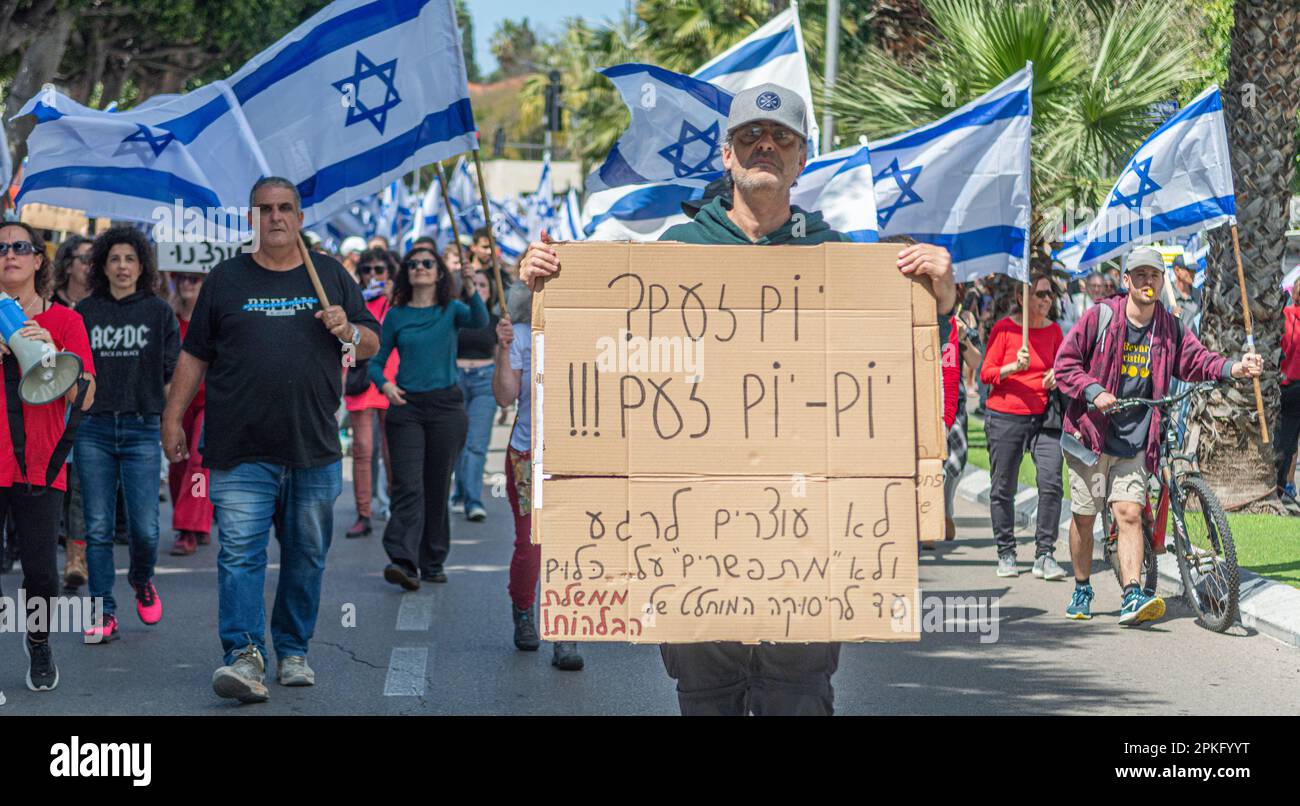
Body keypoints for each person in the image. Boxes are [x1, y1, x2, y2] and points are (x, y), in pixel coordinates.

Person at [520, 82, 957, 716]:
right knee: (707, 700)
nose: (766, 147)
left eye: (783, 138)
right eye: (751, 136)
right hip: (690, 537)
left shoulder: (840, 256)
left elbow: (898, 360)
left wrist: (938, 295)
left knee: (799, 700)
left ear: (803, 160)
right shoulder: (674, 253)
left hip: (809, 536)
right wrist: (549, 287)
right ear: (726, 155)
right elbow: (608, 364)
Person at [162, 177, 379, 703]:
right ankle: (244, 655)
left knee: (306, 555)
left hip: (314, 447)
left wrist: (347, 330)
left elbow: (371, 342)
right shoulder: (225, 279)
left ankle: (294, 649)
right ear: (252, 219)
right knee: (239, 553)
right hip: (239, 446)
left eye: (285, 208)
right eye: (264, 209)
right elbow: (195, 355)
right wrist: (172, 418)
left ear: (300, 218)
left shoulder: (329, 275)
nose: (276, 217)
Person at [1054, 246, 1263, 625]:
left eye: (1154, 275)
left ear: (1162, 281)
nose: (1147, 282)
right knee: (1084, 517)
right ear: (1127, 280)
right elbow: (1065, 364)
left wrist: (1235, 367)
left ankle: (1133, 593)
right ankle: (1082, 585)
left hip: (1136, 438)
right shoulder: (1101, 316)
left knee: (1130, 512)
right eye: (1140, 275)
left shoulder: (1169, 326)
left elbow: (1199, 360)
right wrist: (1094, 392)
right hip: (1092, 437)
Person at [0, 221, 96, 691]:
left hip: (40, 462)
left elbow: (88, 395)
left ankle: (38, 641)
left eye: (20, 246)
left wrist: (51, 353)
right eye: (0, 248)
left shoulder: (66, 321)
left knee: (42, 574)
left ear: (39, 260)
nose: (9, 254)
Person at [76, 227, 180, 642]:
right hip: (93, 430)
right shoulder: (84, 312)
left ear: (142, 266)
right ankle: (104, 610)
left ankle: (141, 579)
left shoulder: (159, 312)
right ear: (103, 265)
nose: (122, 266)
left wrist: (171, 423)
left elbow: (173, 374)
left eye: (130, 259)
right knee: (98, 526)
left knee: (146, 529)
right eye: (114, 259)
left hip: (141, 429)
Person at [371, 243, 485, 591]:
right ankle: (403, 561)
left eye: (427, 263)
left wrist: (470, 285)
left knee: (437, 486)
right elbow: (375, 363)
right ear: (406, 273)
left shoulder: (451, 309)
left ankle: (432, 559)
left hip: (446, 407)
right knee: (407, 484)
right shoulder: (396, 315)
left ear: (439, 273)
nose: (420, 267)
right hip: (406, 408)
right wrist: (385, 386)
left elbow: (480, 321)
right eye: (414, 264)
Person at [492, 284, 583, 670]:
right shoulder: (522, 336)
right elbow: (503, 396)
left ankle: (566, 632)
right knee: (532, 542)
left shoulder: (587, 331)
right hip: (529, 453)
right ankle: (524, 612)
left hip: (577, 453)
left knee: (573, 545)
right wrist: (502, 349)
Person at [979, 272, 1067, 580]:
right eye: (1040, 294)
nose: (1046, 299)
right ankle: (1006, 551)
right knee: (1003, 488)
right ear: (1022, 298)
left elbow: (1065, 366)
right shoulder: (1004, 329)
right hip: (1005, 416)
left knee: (1052, 482)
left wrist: (1058, 373)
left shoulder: (1055, 331)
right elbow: (986, 373)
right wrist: (1012, 367)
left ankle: (1044, 554)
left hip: (1044, 418)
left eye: (1049, 294)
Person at [344, 249, 398, 538]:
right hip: (363, 383)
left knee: (393, 452)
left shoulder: (397, 301)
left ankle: (396, 508)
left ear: (389, 272)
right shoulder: (355, 302)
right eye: (368, 270)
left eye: (380, 270)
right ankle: (363, 513)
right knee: (363, 450)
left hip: (391, 382)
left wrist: (393, 299)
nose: (374, 276)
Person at [49, 235, 93, 589]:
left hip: (85, 410)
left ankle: (76, 558)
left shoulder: (100, 306)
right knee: (50, 487)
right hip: (48, 410)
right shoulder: (48, 305)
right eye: (83, 258)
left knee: (78, 487)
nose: (89, 265)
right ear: (67, 264)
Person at [167, 270, 213, 556]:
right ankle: (197, 521)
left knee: (198, 461)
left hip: (210, 399)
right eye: (181, 277)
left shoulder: (214, 317)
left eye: (194, 278)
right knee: (178, 462)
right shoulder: (168, 318)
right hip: (176, 399)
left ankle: (189, 528)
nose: (187, 283)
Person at [450, 269, 500, 522]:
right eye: (474, 284)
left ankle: (473, 500)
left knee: (476, 445)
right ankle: (458, 494)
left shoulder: (494, 321)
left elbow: (501, 357)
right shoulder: (457, 317)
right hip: (456, 380)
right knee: (458, 443)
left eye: (483, 285)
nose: (479, 288)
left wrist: (504, 399)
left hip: (484, 382)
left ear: (490, 292)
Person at [1275, 276, 1300, 505]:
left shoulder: (1288, 315)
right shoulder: (1289, 316)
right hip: (1291, 386)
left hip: (1289, 384)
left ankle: (1283, 486)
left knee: (1286, 441)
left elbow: (1284, 347)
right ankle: (1284, 485)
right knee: (1288, 442)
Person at [1169, 255, 1201, 327]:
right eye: (1190, 270)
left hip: (1192, 338)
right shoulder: (1166, 293)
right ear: (1177, 270)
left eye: (1195, 270)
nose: (1194, 273)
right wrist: (1168, 315)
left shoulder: (1198, 295)